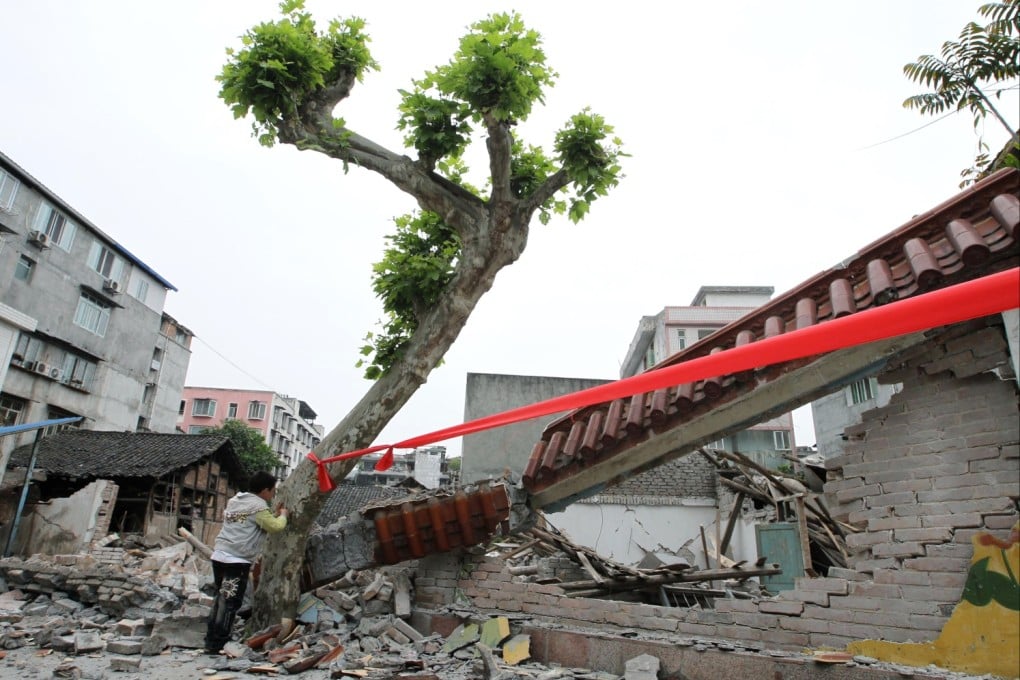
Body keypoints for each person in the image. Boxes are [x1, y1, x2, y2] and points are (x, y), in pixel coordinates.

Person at [204, 470, 288, 653]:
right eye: (273, 491)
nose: (273, 495)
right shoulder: (258, 506)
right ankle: (218, 644)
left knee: (220, 599)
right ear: (265, 490)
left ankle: (210, 640)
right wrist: (283, 515)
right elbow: (276, 527)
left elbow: (252, 523)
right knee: (230, 603)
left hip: (219, 556)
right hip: (237, 561)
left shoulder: (236, 501)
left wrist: (271, 514)